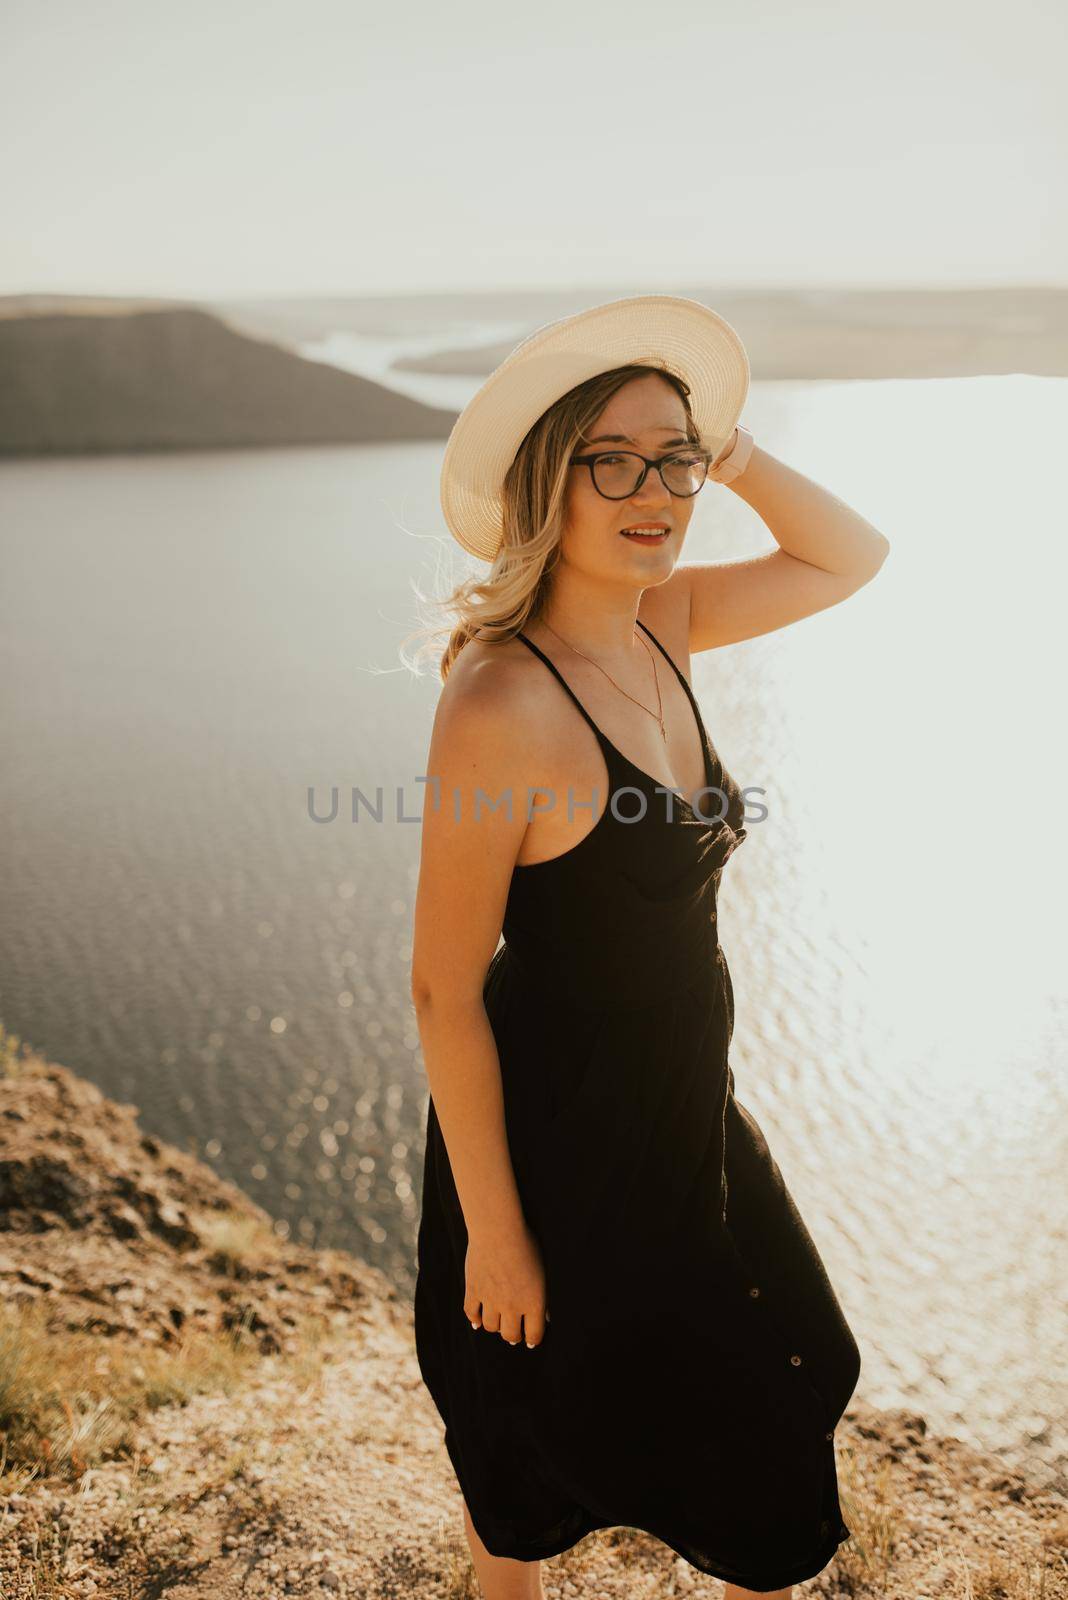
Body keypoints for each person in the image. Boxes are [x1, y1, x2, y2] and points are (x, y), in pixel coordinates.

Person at [409, 294, 889, 1600]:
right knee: (519, 1438)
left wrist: (729, 450)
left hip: (686, 1112)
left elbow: (851, 555)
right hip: (553, 1141)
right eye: (610, 459)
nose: (652, 489)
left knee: (787, 1368)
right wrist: (494, 1239)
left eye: (672, 457)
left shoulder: (665, 624)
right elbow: (444, 990)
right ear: (546, 481)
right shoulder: (500, 701)